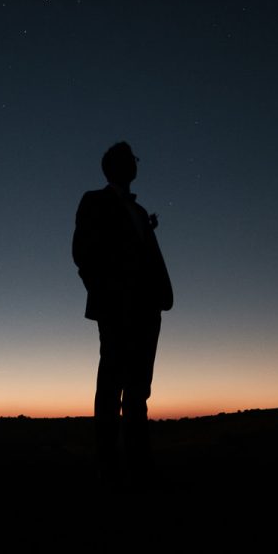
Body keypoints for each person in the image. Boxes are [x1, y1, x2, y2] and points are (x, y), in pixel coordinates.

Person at [72, 141, 173, 484]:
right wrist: (105, 294)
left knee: (139, 389)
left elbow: (140, 252)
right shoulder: (94, 201)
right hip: (117, 308)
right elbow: (83, 253)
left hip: (147, 308)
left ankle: (139, 462)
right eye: (128, 160)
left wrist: (157, 295)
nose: (134, 164)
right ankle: (109, 466)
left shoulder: (140, 211)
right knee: (111, 385)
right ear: (113, 166)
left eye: (134, 160)